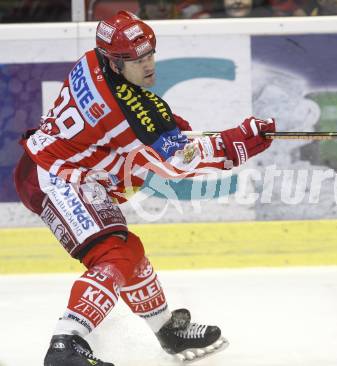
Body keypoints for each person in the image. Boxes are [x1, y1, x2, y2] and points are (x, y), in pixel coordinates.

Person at [13, 10, 275, 366]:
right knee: (112, 254)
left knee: (129, 250)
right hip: (55, 175)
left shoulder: (90, 61)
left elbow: (148, 126)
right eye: (135, 59)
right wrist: (234, 144)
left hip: (64, 166)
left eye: (150, 53)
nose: (148, 64)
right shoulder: (129, 113)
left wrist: (168, 131)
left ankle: (167, 332)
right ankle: (66, 342)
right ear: (114, 62)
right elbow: (179, 162)